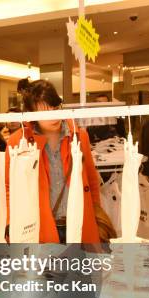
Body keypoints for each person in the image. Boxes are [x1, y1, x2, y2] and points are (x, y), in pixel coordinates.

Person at [5, 80, 101, 243]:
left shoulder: (78, 135)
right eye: (44, 111)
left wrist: (97, 215)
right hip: (41, 224)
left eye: (55, 107)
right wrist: (11, 222)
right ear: (31, 114)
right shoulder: (18, 141)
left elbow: (91, 180)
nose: (53, 115)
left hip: (79, 222)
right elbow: (10, 188)